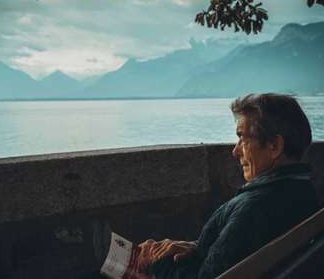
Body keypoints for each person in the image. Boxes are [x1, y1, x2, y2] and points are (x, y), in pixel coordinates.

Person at [137, 93, 319, 279]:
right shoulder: (305, 195)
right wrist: (198, 248)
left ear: (274, 145)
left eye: (242, 138)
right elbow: (237, 253)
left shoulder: (253, 210)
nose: (235, 151)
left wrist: (155, 261)